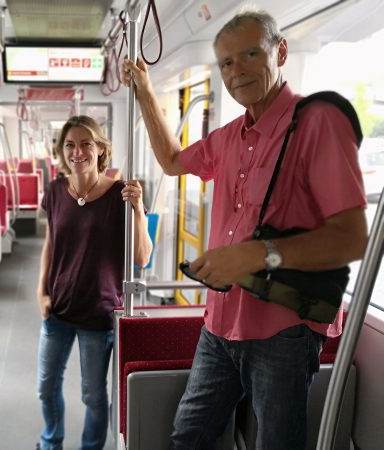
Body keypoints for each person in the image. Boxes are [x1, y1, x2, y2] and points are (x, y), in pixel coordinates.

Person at [121, 8, 368, 450]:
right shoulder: (230, 135)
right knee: (188, 437)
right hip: (220, 327)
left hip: (284, 332)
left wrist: (258, 254)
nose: (237, 72)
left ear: (282, 52)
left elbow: (350, 237)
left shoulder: (318, 125)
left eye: (251, 54)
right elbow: (172, 161)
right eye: (227, 63)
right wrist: (144, 92)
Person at [36, 115, 153, 450]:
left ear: (100, 148)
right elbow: (50, 243)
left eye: (85, 143)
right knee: (45, 387)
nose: (77, 151)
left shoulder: (120, 193)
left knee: (93, 395)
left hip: (99, 313)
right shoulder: (57, 190)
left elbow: (142, 257)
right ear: (61, 151)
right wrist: (41, 292)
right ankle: (50, 442)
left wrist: (139, 212)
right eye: (70, 144)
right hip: (58, 309)